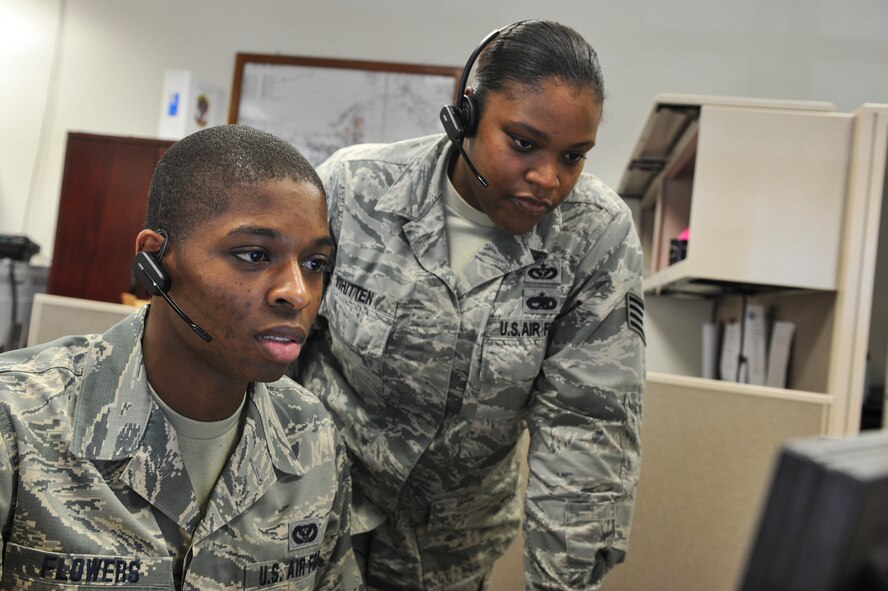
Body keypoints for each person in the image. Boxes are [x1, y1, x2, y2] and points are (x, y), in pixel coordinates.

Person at [295, 19, 645, 591]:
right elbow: (269, 357)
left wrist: (564, 581)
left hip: (451, 549)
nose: (547, 179)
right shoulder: (354, 190)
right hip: (312, 516)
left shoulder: (593, 236)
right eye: (524, 144)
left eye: (574, 156)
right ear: (464, 116)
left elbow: (587, 426)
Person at [0, 125, 362, 590]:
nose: (296, 292)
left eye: (315, 264)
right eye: (253, 254)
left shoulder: (312, 434)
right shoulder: (17, 418)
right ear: (157, 259)